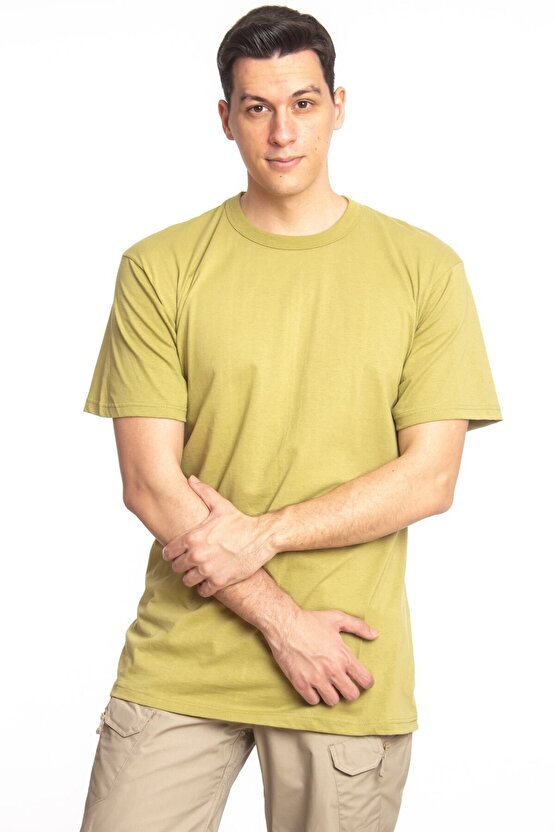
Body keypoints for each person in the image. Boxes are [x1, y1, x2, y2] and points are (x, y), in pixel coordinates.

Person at [78, 5, 502, 831]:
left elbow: (430, 478)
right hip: (183, 658)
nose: (281, 132)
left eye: (302, 103)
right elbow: (149, 483)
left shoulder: (424, 269)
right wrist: (282, 621)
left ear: (337, 106)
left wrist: (262, 535)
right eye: (257, 107)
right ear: (225, 118)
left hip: (345, 663)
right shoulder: (159, 267)